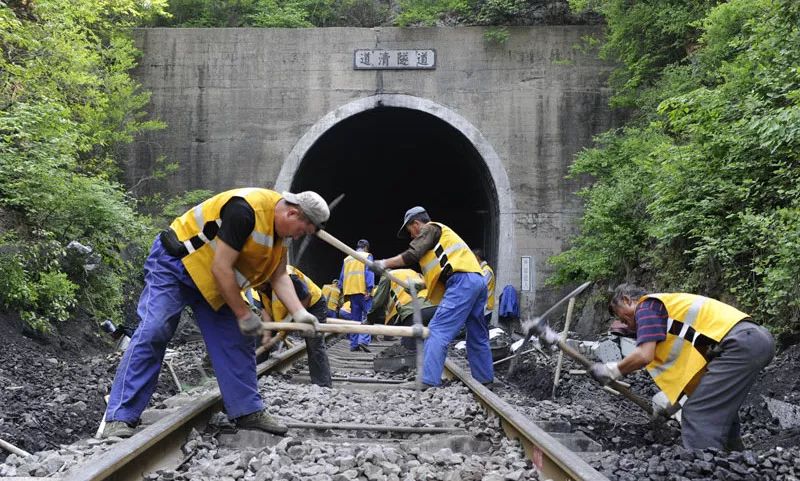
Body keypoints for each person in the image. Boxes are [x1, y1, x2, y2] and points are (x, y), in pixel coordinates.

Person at [102, 188, 328, 438]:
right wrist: (243, 313)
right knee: (155, 329)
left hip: (212, 279)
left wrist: (299, 312)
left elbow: (279, 274)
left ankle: (247, 411)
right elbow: (222, 268)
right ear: (293, 213)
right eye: (301, 231)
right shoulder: (245, 211)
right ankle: (119, 417)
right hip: (177, 266)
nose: (298, 237)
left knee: (235, 339)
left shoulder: (281, 231)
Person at [593, 283, 775, 450]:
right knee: (719, 411)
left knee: (699, 414)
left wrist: (611, 370)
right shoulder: (671, 323)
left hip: (741, 343)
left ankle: (705, 471)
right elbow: (698, 382)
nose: (627, 325)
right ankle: (736, 463)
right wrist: (671, 408)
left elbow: (643, 355)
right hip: (753, 341)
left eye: (623, 318)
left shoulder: (646, 306)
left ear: (627, 300)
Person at [373, 207, 493, 389]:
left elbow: (412, 255)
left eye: (410, 231)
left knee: (437, 330)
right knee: (477, 334)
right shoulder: (442, 240)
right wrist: (420, 285)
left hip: (462, 282)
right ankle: (485, 379)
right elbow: (443, 271)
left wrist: (384, 263)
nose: (412, 236)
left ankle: (427, 381)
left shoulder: (430, 228)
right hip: (476, 280)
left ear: (416, 223)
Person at [252, 265, 332, 387]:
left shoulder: (289, 277)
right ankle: (254, 376)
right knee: (262, 336)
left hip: (312, 306)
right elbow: (266, 312)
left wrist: (292, 324)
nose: (255, 288)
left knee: (313, 343)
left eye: (257, 285)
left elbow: (306, 297)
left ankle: (323, 384)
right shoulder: (259, 285)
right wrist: (267, 336)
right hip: (286, 310)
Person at [366, 268, 437, 350]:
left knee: (408, 348)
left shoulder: (388, 275)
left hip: (412, 311)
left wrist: (370, 319)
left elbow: (378, 301)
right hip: (434, 307)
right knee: (432, 345)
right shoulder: (413, 272)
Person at [339, 239, 374, 352]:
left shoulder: (347, 259)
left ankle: (354, 345)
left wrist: (343, 291)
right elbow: (369, 272)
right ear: (366, 247)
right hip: (363, 291)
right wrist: (369, 289)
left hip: (351, 292)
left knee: (355, 319)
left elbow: (342, 277)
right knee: (368, 317)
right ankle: (363, 341)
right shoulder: (367, 256)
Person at [472, 249, 495, 326]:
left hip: (485, 308)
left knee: (482, 332)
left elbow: (479, 287)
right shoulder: (481, 270)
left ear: (477, 258)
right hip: (482, 307)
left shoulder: (486, 271)